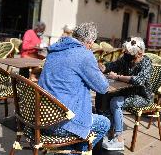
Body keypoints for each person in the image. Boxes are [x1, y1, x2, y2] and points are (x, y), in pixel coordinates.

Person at [38, 22, 110, 153]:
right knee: (104, 122)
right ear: (89, 42)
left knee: (86, 113)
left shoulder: (55, 50)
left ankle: (68, 149)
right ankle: (78, 153)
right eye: (91, 45)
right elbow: (103, 87)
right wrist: (97, 70)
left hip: (41, 117)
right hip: (61, 124)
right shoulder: (85, 55)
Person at [98, 37, 152, 151]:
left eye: (129, 53)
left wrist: (117, 77)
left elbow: (139, 80)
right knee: (105, 97)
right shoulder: (126, 59)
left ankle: (119, 139)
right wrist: (104, 67)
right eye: (126, 52)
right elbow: (114, 65)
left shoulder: (146, 62)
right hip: (127, 92)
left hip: (142, 96)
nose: (126, 54)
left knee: (115, 102)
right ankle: (109, 131)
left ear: (140, 53)